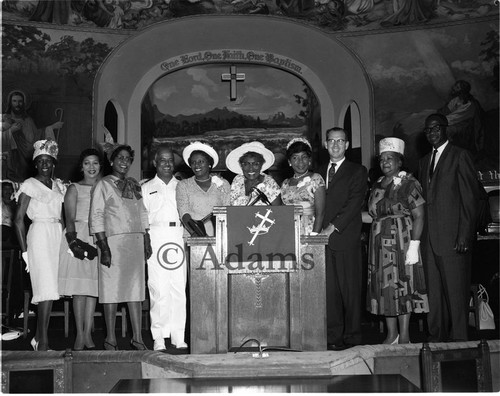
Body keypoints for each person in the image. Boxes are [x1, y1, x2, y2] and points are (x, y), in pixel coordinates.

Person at [418, 113, 479, 342]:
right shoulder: (424, 162)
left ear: (446, 129)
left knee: (455, 294)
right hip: (429, 240)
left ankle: (461, 342)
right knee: (434, 296)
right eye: (428, 130)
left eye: (436, 128)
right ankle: (436, 340)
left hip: (454, 239)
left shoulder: (460, 156)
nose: (432, 133)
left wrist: (464, 234)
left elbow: (470, 199)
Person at [89, 143, 152, 350]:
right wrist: (104, 247)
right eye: (120, 158)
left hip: (135, 242)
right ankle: (110, 338)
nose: (124, 162)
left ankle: (137, 338)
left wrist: (146, 238)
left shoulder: (134, 185)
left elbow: (142, 212)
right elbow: (96, 216)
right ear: (112, 161)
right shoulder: (103, 185)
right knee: (111, 291)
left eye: (128, 159)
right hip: (112, 243)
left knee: (136, 291)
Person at [366, 137, 428, 344]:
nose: (385, 162)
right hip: (378, 242)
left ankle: (405, 336)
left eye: (390, 158)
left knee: (402, 285)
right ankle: (391, 334)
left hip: (401, 241)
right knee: (385, 287)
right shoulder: (376, 184)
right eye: (382, 159)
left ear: (400, 161)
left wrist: (414, 245)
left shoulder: (409, 183)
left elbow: (419, 215)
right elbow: (372, 215)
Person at [14, 139, 65, 351]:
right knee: (45, 287)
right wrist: (25, 252)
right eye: (41, 161)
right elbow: (18, 219)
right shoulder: (29, 184)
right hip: (39, 236)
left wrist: (67, 241)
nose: (45, 164)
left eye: (49, 160)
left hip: (56, 235)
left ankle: (38, 338)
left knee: (53, 289)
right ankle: (42, 343)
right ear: (35, 163)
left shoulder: (59, 186)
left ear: (54, 163)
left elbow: (62, 217)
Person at [321, 127, 367, 351]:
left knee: (350, 290)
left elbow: (353, 205)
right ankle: (333, 336)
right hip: (320, 241)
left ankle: (352, 337)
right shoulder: (318, 172)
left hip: (345, 238)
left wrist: (332, 228)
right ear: (326, 144)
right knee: (329, 292)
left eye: (341, 141)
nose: (336, 145)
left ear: (347, 145)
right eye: (332, 141)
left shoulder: (357, 171)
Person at [142, 145, 188, 351]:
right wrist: (145, 240)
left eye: (170, 160)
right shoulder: (145, 187)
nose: (167, 164)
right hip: (155, 236)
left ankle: (179, 335)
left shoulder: (184, 186)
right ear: (155, 163)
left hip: (178, 236)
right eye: (163, 160)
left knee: (178, 287)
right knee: (158, 288)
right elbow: (142, 217)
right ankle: (159, 336)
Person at [58, 148, 102, 351]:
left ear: (100, 165)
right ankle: (80, 334)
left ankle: (89, 334)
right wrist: (74, 243)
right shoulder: (74, 188)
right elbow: (69, 218)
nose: (91, 167)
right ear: (81, 166)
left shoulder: (104, 187)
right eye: (87, 163)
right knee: (79, 289)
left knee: (92, 287)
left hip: (99, 236)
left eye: (95, 163)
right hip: (79, 236)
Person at [2, 90, 63, 182]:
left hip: (27, 162)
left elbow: (36, 138)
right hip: (11, 160)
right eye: (14, 101)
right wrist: (11, 131)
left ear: (24, 103)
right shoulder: (4, 119)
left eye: (20, 101)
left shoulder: (28, 121)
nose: (17, 104)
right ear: (10, 103)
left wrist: (50, 128)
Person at [176, 141, 230, 237]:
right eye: (193, 162)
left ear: (209, 163)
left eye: (201, 161)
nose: (196, 165)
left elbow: (228, 211)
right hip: (193, 235)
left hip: (218, 236)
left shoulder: (223, 184)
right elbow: (183, 212)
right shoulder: (183, 185)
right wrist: (195, 232)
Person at [280, 137, 325, 235]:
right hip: (288, 231)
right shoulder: (285, 184)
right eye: (295, 158)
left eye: (304, 157)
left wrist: (314, 237)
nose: (300, 162)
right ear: (289, 162)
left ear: (309, 160)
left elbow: (320, 213)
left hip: (309, 230)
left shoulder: (316, 179)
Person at [225, 141, 281, 206]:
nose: (251, 168)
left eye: (255, 164)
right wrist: (247, 193)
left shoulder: (269, 183)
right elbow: (231, 208)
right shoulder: (238, 180)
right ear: (241, 166)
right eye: (246, 164)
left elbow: (278, 211)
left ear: (261, 165)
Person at [438, 80, 484, 153]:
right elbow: (446, 111)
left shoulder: (469, 104)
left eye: (457, 87)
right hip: (455, 121)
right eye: (455, 86)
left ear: (463, 90)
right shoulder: (456, 99)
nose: (454, 88)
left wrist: (441, 120)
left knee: (446, 130)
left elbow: (457, 117)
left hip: (465, 125)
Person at [2, 180, 17, 247]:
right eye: (5, 189)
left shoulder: (15, 204)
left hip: (12, 231)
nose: (8, 191)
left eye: (10, 189)